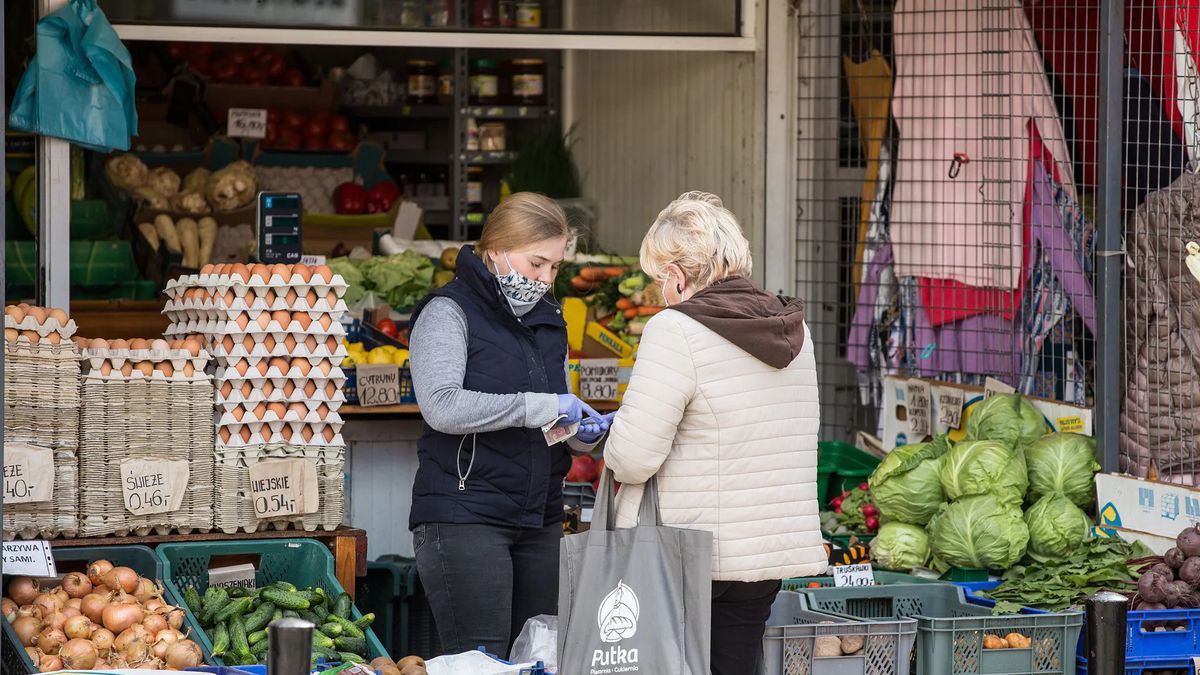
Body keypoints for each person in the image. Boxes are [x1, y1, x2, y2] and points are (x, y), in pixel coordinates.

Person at [602, 191, 827, 675]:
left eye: (659, 278)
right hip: (763, 554)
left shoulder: (675, 330)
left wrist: (611, 436)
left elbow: (634, 457)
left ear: (677, 276)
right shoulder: (795, 330)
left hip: (687, 552)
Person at [407, 192, 609, 656]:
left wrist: (580, 435)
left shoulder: (548, 320)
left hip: (539, 518)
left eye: (555, 267)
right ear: (495, 249)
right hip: (465, 517)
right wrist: (539, 406)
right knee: (482, 663)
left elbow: (548, 417)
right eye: (537, 263)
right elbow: (441, 406)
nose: (545, 279)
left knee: (538, 657)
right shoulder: (447, 312)